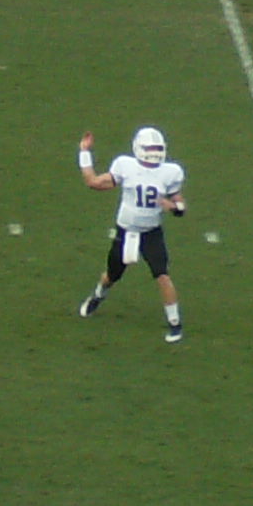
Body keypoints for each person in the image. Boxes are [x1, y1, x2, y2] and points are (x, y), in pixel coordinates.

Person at [77, 125, 187, 344]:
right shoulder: (125, 166)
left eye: (156, 149)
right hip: (126, 230)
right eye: (150, 149)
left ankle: (175, 323)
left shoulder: (170, 172)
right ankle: (98, 295)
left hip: (151, 233)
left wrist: (175, 207)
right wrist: (84, 152)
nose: (153, 154)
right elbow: (93, 182)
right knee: (112, 275)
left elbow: (180, 205)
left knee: (162, 275)